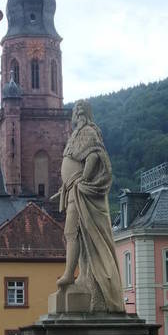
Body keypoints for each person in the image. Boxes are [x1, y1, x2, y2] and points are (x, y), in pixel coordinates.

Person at [52, 99, 124, 312]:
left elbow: (94, 156)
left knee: (72, 232)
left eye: (81, 110)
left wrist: (83, 179)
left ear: (87, 114)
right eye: (76, 110)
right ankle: (80, 275)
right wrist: (65, 187)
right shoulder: (75, 134)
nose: (78, 113)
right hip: (73, 189)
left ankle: (69, 275)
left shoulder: (89, 132)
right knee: (76, 235)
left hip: (81, 191)